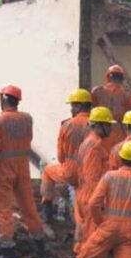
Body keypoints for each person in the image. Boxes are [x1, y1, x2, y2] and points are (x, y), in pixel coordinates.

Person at [0, 85, 46, 258]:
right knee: (29, 207)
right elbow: (28, 140)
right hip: (22, 168)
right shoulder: (27, 119)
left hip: (3, 170)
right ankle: (40, 248)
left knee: (4, 210)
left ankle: (8, 253)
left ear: (3, 100)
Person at [39, 89, 93, 222]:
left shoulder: (67, 125)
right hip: (89, 173)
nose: (71, 109)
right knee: (81, 210)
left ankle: (46, 211)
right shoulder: (96, 125)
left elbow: (60, 156)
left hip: (70, 171)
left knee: (47, 171)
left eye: (73, 106)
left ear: (79, 106)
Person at [75, 106, 117, 252]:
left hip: (85, 194)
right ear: (99, 125)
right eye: (108, 125)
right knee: (92, 240)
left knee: (86, 235)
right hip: (91, 196)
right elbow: (92, 177)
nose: (111, 129)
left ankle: (81, 257)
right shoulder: (95, 146)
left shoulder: (88, 142)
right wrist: (99, 201)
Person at [90, 65, 131, 143]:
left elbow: (88, 107)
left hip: (100, 132)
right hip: (120, 134)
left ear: (107, 77)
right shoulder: (127, 94)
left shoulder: (97, 92)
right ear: (122, 78)